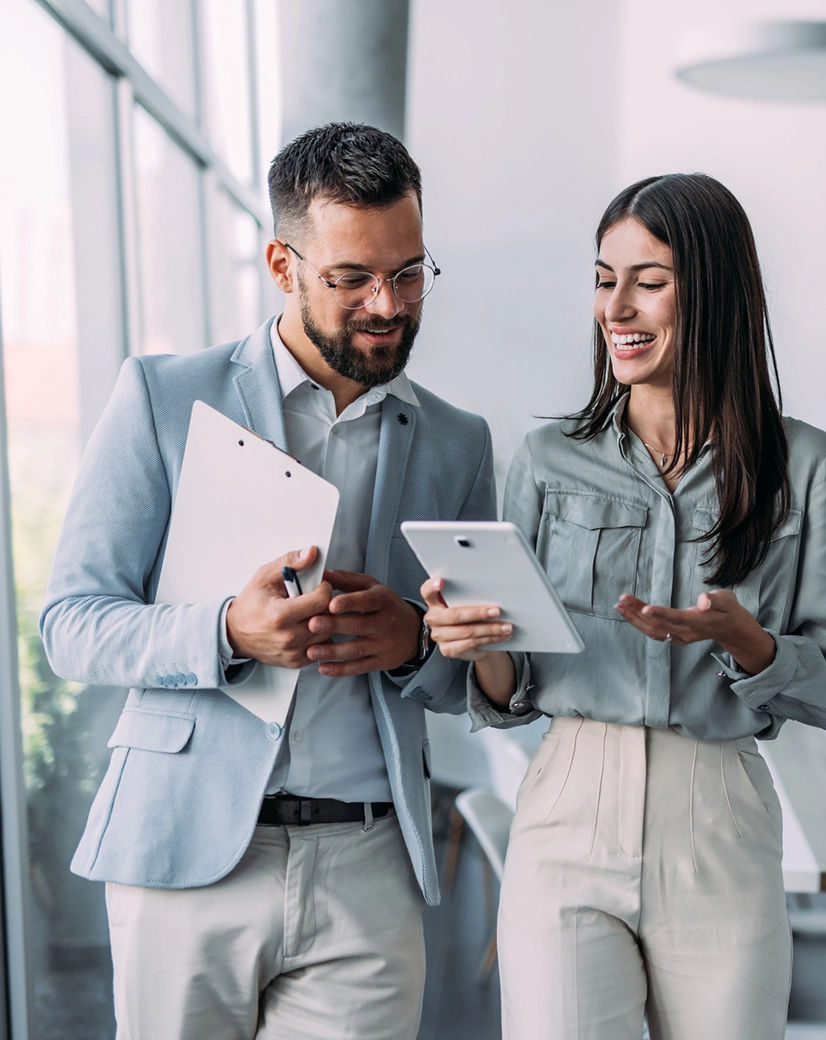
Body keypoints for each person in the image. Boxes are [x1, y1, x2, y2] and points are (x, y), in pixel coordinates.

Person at [40, 123, 496, 1040]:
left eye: (409, 273)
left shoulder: (458, 441)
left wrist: (415, 642)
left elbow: (474, 673)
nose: (388, 304)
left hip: (370, 867)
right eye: (352, 278)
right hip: (187, 854)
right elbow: (72, 624)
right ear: (282, 265)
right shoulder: (165, 397)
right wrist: (225, 632)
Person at [422, 173, 826, 1040]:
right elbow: (518, 688)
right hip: (567, 803)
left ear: (718, 293)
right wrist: (475, 642)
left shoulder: (804, 465)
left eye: (649, 281)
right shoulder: (547, 458)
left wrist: (751, 645)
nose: (614, 306)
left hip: (719, 816)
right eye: (602, 277)